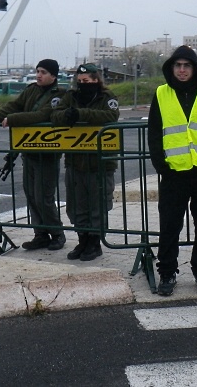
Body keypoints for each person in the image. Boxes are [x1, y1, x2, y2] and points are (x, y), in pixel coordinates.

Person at [148, 45, 197, 297]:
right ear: (172, 68)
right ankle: (167, 273)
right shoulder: (161, 93)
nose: (182, 70)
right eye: (178, 65)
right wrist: (162, 167)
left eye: (187, 65)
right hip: (174, 174)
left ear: (194, 68)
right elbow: (153, 134)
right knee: (170, 226)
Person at [0, 59, 66, 251]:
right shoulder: (31, 90)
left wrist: (12, 120)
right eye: (37, 71)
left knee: (44, 197)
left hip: (47, 153)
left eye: (43, 72)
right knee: (31, 195)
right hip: (29, 152)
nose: (38, 75)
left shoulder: (59, 95)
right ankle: (40, 234)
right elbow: (12, 106)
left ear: (53, 75)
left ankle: (57, 233)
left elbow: (42, 115)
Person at [50, 63, 119, 261]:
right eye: (79, 82)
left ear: (96, 80)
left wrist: (81, 114)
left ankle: (95, 243)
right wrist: (67, 114)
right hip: (75, 160)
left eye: (86, 81)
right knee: (76, 205)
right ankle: (82, 240)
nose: (82, 85)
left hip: (100, 162)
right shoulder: (71, 97)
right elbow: (55, 115)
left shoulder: (107, 97)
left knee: (97, 205)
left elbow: (110, 115)